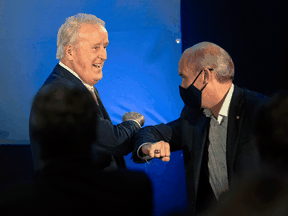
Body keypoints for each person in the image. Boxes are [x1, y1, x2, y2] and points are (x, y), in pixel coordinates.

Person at [131, 42, 270, 215]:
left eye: (184, 77)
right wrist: (148, 147)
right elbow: (152, 132)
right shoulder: (193, 116)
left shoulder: (261, 111)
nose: (182, 85)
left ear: (204, 76)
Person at [0, 86, 153, 216]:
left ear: (36, 135)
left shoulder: (11, 203)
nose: (103, 56)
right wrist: (132, 124)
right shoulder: (134, 190)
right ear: (94, 132)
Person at [29, 13, 145, 171]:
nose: (104, 56)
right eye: (96, 47)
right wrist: (133, 122)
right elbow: (112, 141)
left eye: (105, 47)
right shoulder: (62, 92)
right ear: (70, 52)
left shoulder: (79, 85)